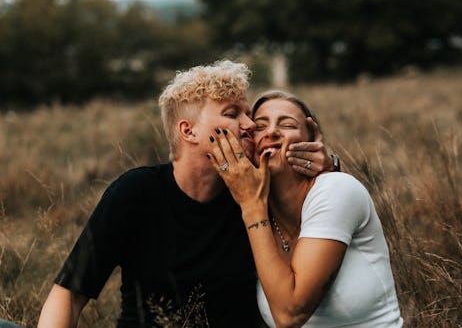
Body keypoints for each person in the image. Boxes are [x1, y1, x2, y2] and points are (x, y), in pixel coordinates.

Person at [37, 61, 339, 328]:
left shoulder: (257, 189)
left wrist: (330, 166)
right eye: (233, 114)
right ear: (188, 131)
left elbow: (325, 212)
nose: (250, 126)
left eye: (249, 114)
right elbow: (69, 295)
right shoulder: (136, 192)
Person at [207, 90, 403, 327]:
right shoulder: (247, 211)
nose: (271, 132)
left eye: (287, 124)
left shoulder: (336, 189)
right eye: (259, 126)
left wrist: (252, 206)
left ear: (312, 142)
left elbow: (290, 314)